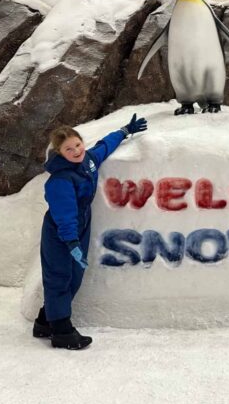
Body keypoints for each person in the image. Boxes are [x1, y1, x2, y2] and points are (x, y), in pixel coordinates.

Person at [32, 114, 148, 350]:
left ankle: (45, 321)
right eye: (68, 149)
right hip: (61, 232)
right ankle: (62, 332)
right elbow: (64, 215)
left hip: (81, 226)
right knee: (60, 278)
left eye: (77, 144)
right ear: (59, 153)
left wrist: (125, 131)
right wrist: (72, 242)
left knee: (74, 277)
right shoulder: (60, 180)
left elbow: (105, 145)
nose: (76, 150)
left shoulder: (88, 161)